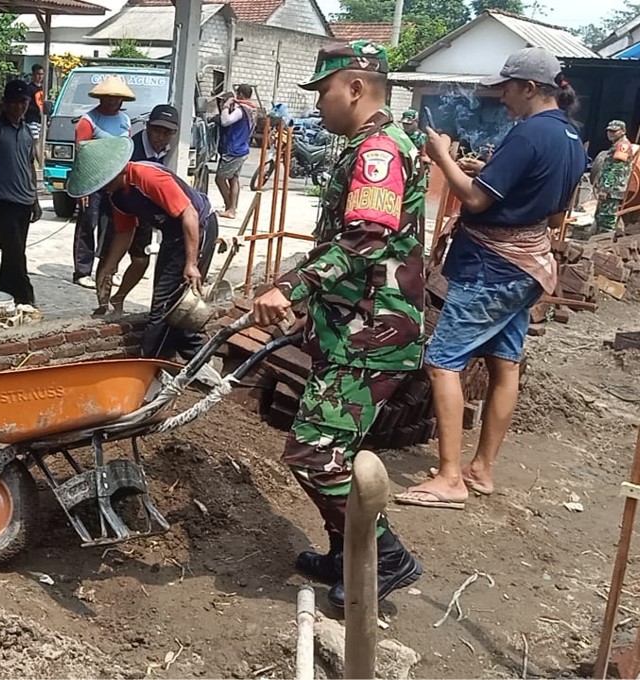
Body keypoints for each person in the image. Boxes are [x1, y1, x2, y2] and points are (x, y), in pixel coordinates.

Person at [249, 40, 425, 608]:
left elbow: (366, 236)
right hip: (352, 328)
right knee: (328, 450)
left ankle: (384, 556)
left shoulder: (380, 150)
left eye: (323, 90)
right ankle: (345, 550)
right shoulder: (366, 145)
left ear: (354, 87)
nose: (318, 103)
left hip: (372, 333)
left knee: (314, 452)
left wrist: (292, 289)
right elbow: (342, 239)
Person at [395, 47, 587, 509]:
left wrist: (442, 156)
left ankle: (450, 477)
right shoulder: (570, 136)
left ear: (530, 88)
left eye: (507, 89)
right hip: (528, 263)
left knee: (443, 361)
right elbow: (554, 210)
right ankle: (481, 469)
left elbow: (477, 201)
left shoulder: (529, 133)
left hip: (491, 267)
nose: (502, 98)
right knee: (505, 362)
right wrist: (488, 173)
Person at [67, 136, 218, 360]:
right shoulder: (117, 195)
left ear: (115, 171)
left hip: (197, 227)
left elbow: (190, 214)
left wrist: (191, 263)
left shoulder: (148, 177)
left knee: (168, 304)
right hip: (173, 234)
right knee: (169, 301)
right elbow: (125, 232)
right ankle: (186, 357)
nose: (103, 188)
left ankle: (156, 359)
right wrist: (109, 267)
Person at [102, 104, 181, 315]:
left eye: (167, 133)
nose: (160, 137)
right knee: (111, 259)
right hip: (120, 204)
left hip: (145, 209)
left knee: (141, 259)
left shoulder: (171, 150)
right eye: (157, 130)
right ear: (148, 127)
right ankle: (102, 306)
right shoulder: (130, 149)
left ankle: (119, 298)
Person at [0, 80, 43, 306]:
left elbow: (30, 166)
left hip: (25, 200)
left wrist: (35, 199)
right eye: (14, 102)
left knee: (13, 253)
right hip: (4, 201)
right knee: (15, 253)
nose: (19, 106)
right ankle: (26, 297)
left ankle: (5, 294)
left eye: (23, 102)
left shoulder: (26, 131)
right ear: (5, 103)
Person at [72, 75, 136, 289]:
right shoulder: (88, 120)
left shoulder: (125, 120)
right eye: (108, 97)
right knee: (88, 224)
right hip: (93, 181)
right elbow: (81, 154)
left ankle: (109, 269)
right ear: (100, 97)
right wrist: (82, 188)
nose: (112, 101)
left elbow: (125, 149)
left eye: (116, 97)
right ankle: (82, 271)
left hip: (116, 181)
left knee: (113, 226)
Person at [215, 84, 256, 219]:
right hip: (242, 148)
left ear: (241, 95)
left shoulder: (241, 110)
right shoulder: (251, 108)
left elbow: (225, 121)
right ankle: (232, 208)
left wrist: (226, 107)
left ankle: (230, 208)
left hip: (234, 150)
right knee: (234, 179)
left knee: (220, 178)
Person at [592, 119, 634, 234]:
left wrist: (606, 188)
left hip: (612, 190)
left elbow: (616, 169)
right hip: (609, 190)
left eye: (614, 131)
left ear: (623, 131)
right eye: (609, 131)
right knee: (600, 217)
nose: (610, 133)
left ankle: (605, 242)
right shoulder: (616, 145)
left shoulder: (622, 146)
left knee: (606, 219)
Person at [25, 64, 46, 143]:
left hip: (41, 119)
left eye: (42, 74)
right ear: (33, 75)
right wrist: (37, 110)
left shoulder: (43, 88)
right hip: (31, 119)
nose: (40, 77)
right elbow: (27, 105)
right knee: (35, 139)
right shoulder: (29, 88)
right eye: (38, 74)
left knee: (40, 140)